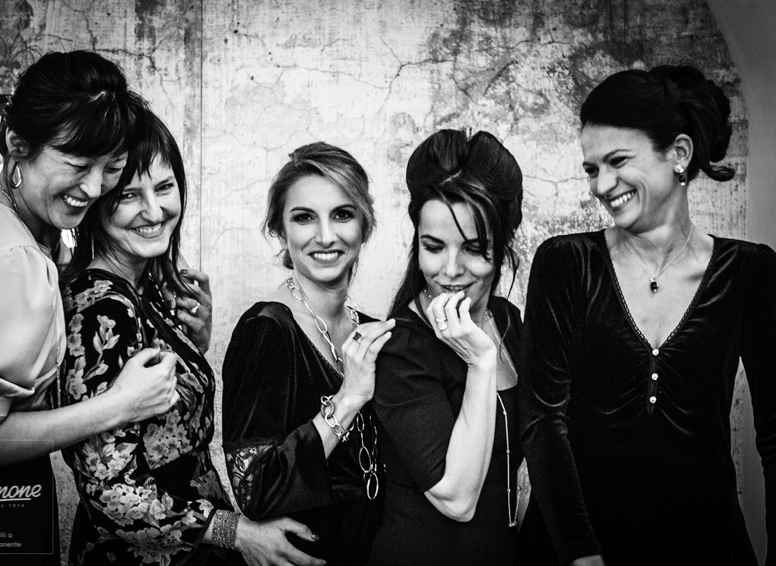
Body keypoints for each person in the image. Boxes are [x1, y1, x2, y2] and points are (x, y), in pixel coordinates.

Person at [0, 51, 179, 566]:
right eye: (78, 165)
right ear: (18, 144)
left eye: (110, 169)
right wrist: (118, 405)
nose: (94, 189)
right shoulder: (16, 263)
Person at [519, 64, 775, 566]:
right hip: (574, 552)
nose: (601, 185)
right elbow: (542, 422)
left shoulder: (750, 272)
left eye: (617, 161)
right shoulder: (565, 263)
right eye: (591, 168)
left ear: (679, 153)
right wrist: (581, 554)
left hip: (704, 548)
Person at [60, 107, 327, 566]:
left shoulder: (145, 288)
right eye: (129, 195)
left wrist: (193, 346)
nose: (155, 210)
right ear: (98, 199)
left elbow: (160, 425)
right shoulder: (101, 308)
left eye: (165, 187)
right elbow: (109, 493)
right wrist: (234, 532)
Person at [222, 142, 395, 566]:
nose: (326, 236)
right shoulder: (267, 330)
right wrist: (348, 398)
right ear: (280, 231)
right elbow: (255, 490)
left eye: (342, 214)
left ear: (365, 224)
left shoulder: (371, 328)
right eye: (304, 217)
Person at [365, 129, 525, 566]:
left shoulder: (508, 320)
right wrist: (481, 362)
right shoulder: (400, 348)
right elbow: (456, 499)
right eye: (433, 247)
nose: (450, 270)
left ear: (502, 245)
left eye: (473, 249)